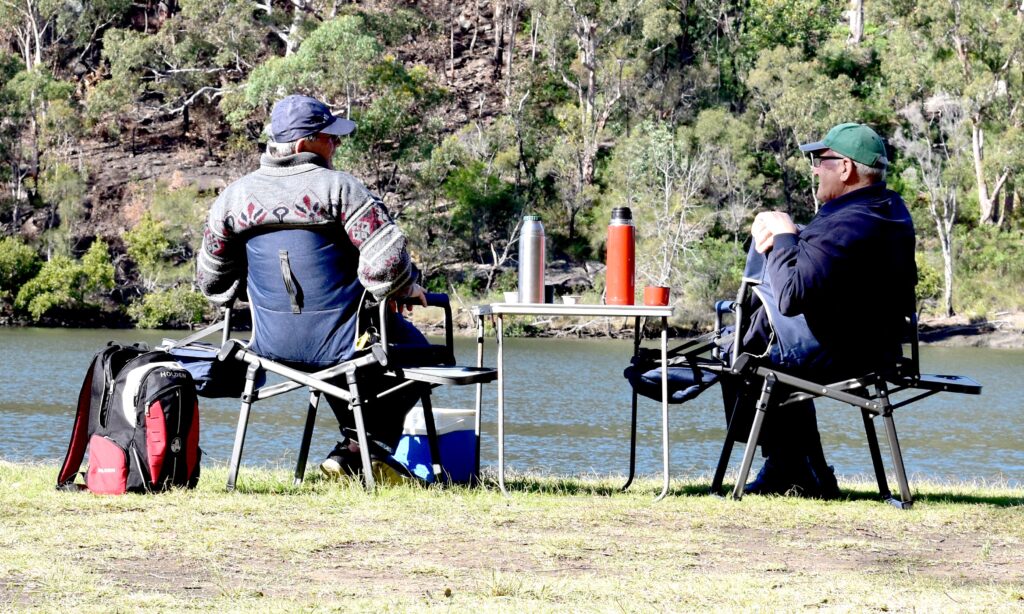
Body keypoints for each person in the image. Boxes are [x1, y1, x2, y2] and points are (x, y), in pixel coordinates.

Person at [196, 94, 428, 479]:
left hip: (269, 348)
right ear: (305, 144)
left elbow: (211, 281)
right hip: (342, 345)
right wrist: (399, 290)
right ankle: (365, 449)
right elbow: (388, 261)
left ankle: (351, 454)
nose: (336, 144)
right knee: (420, 354)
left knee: (350, 363)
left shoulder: (232, 198)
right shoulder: (341, 190)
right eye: (329, 137)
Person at [735, 122, 917, 497]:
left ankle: (795, 470)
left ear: (846, 169)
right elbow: (829, 266)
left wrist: (784, 232)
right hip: (873, 346)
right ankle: (801, 470)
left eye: (821, 159)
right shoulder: (887, 208)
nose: (815, 168)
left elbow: (789, 297)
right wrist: (791, 234)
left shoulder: (851, 222)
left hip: (846, 353)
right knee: (758, 346)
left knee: (744, 353)